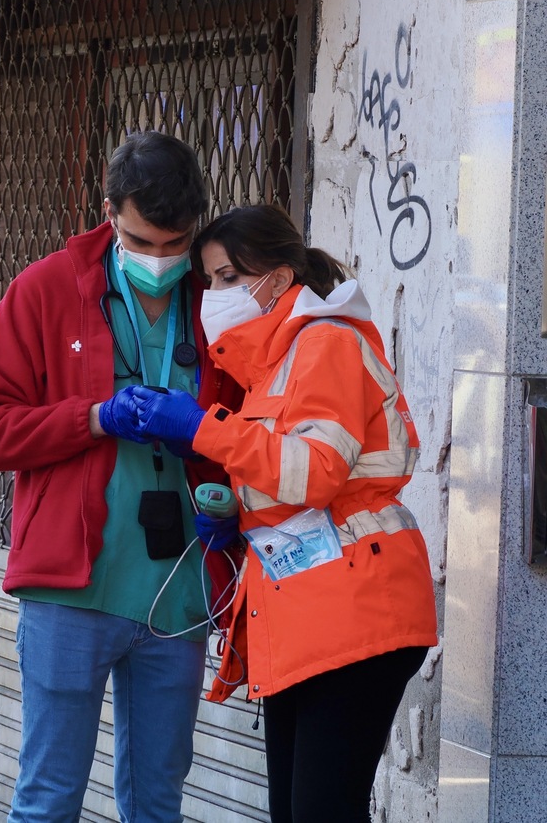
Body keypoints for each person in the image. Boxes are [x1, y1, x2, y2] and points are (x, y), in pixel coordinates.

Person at [0, 130, 244, 822]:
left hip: (177, 595)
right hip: (70, 593)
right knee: (48, 799)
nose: (159, 259)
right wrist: (93, 419)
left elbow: (250, 427)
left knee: (157, 804)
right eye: (142, 242)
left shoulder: (217, 297)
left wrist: (232, 501)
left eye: (174, 244)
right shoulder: (44, 290)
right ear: (109, 211)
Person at [133, 204, 438, 823]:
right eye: (210, 280)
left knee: (321, 812)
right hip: (311, 613)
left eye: (225, 277)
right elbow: (286, 480)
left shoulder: (324, 341)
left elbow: (317, 471)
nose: (212, 294)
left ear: (274, 277)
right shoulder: (271, 366)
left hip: (356, 613)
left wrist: (202, 429)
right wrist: (238, 521)